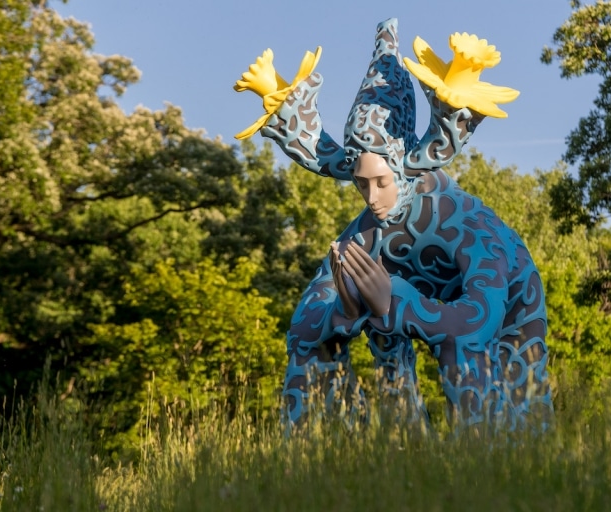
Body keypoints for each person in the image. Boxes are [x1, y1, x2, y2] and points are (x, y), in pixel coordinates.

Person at [234, 18, 552, 431]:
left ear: (405, 169)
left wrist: (395, 303)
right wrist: (342, 311)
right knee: (345, 339)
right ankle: (355, 459)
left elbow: (480, 319)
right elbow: (303, 326)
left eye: (382, 182)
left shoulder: (466, 222)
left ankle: (489, 466)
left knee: (477, 366)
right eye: (361, 184)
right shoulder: (364, 234)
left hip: (511, 310)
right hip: (412, 316)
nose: (372, 197)